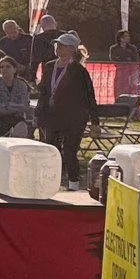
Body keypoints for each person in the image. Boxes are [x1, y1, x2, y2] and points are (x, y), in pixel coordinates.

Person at [39, 32, 97, 187]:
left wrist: (95, 122)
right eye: (57, 45)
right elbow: (44, 91)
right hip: (52, 115)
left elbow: (89, 95)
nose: (58, 48)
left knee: (69, 151)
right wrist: (40, 112)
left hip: (73, 118)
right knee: (51, 149)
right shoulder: (49, 66)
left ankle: (73, 182)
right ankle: (53, 181)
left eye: (62, 46)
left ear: (72, 49)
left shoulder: (78, 70)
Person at [0, 55, 35, 137]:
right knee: (19, 123)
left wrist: (7, 106)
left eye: (8, 67)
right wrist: (13, 106)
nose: (4, 69)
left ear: (15, 69)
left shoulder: (21, 85)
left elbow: (25, 105)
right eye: (1, 67)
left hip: (16, 118)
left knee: (23, 125)